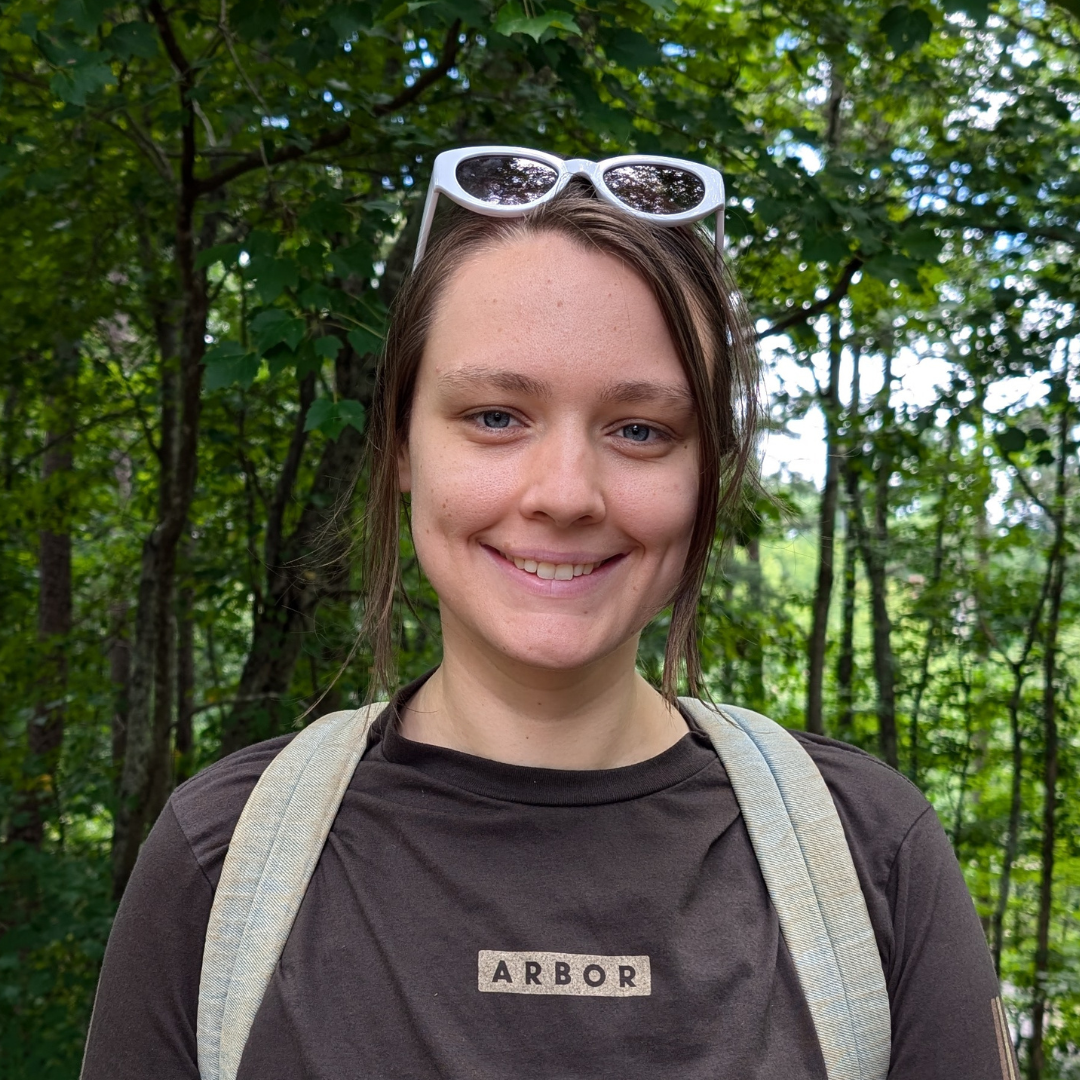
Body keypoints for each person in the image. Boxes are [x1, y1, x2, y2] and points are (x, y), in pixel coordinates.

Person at [81, 148, 1015, 1080]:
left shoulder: (868, 859)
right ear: (400, 442)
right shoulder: (227, 864)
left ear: (708, 471)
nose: (565, 494)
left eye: (641, 430)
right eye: (496, 416)